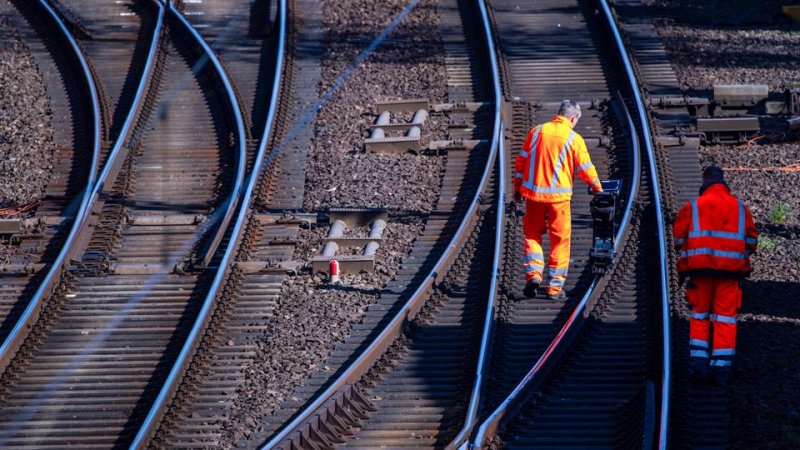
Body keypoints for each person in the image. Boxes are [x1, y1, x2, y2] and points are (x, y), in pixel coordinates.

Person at [673, 165, 758, 385]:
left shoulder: (693, 206)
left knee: (699, 315)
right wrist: (737, 255)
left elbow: (679, 240)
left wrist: (692, 255)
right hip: (730, 274)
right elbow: (751, 240)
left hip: (700, 272)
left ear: (704, 182)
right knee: (725, 318)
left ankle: (699, 365)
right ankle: (721, 369)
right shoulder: (740, 208)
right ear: (723, 182)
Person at [513, 100, 602, 300]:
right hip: (558, 201)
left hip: (534, 196)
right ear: (573, 118)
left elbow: (521, 161)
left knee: (532, 234)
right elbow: (586, 169)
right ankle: (554, 288)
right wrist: (598, 188)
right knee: (560, 240)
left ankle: (533, 275)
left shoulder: (537, 131)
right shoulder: (574, 138)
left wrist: (517, 188)